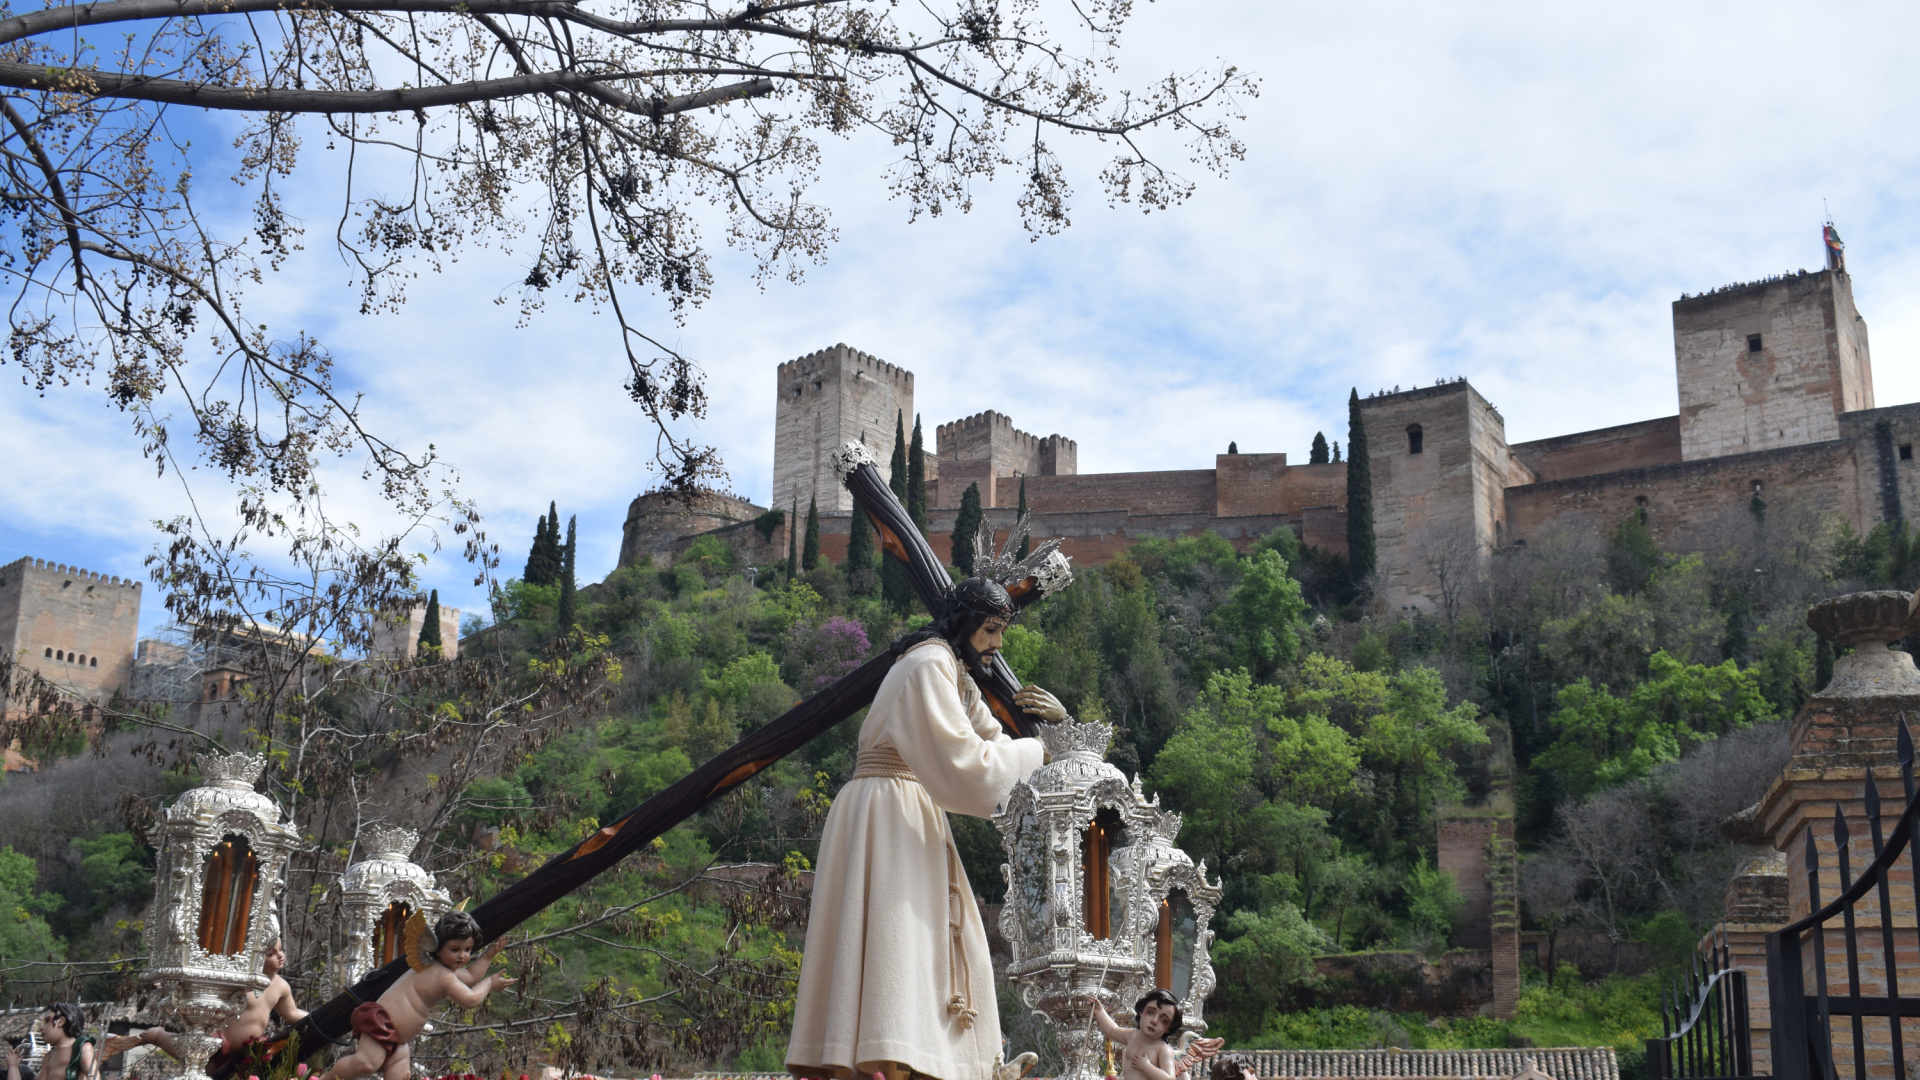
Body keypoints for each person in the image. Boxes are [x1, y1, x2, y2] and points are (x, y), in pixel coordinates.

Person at [786, 577, 1064, 1080]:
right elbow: (969, 765)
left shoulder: (952, 670)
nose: (997, 643)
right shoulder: (928, 663)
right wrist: (1038, 751)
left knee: (936, 938)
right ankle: (896, 1059)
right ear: (964, 624)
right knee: (899, 939)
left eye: (1001, 630)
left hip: (906, 808)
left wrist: (1054, 733)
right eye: (991, 629)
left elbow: (994, 739)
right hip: (888, 807)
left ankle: (960, 1064)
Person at [317, 911, 511, 1080]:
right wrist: (489, 983)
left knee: (401, 1075)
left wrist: (487, 956)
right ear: (439, 947)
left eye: (467, 950)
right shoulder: (443, 975)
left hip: (398, 1038)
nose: (462, 956)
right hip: (382, 1023)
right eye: (455, 949)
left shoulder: (444, 970)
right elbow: (471, 999)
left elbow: (469, 977)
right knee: (367, 1063)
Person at [103, 938, 307, 1071]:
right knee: (197, 1061)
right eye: (271, 953)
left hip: (247, 1050)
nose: (280, 956)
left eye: (280, 950)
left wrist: (313, 1016)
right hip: (216, 1039)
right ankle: (157, 1036)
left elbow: (291, 1012)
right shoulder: (242, 980)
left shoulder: (281, 986)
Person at [1089, 990, 1223, 1080]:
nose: (1154, 1021)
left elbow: (1169, 1078)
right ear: (1141, 1012)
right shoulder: (1131, 1035)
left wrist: (1147, 1067)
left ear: (1168, 1028)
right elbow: (1112, 1030)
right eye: (1150, 1012)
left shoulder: (1163, 1049)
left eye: (1163, 1020)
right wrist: (1099, 1012)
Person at [5, 1005, 96, 1080]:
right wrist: (13, 1067)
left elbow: (93, 1076)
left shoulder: (81, 1047)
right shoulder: (49, 1056)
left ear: (60, 1022)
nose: (41, 1028)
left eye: (47, 1021)